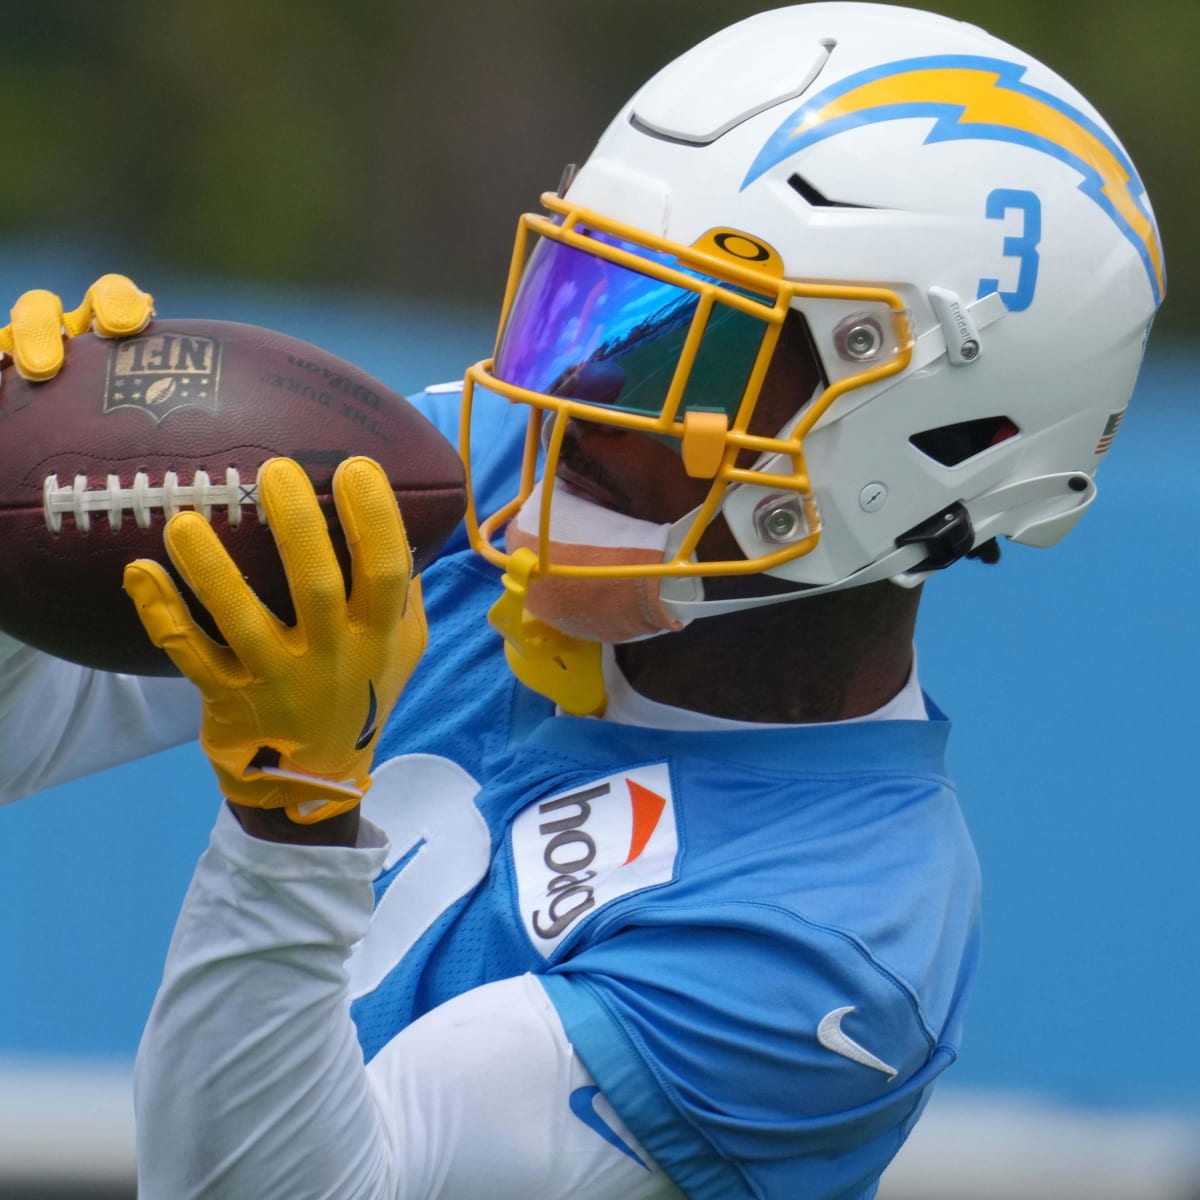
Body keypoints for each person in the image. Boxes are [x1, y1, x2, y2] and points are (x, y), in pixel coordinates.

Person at [0, 4, 1163, 1198]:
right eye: (597, 298)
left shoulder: (827, 944)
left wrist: (292, 825)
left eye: (690, 346)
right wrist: (21, 475)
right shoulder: (514, 464)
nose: (583, 390)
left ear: (938, 443)